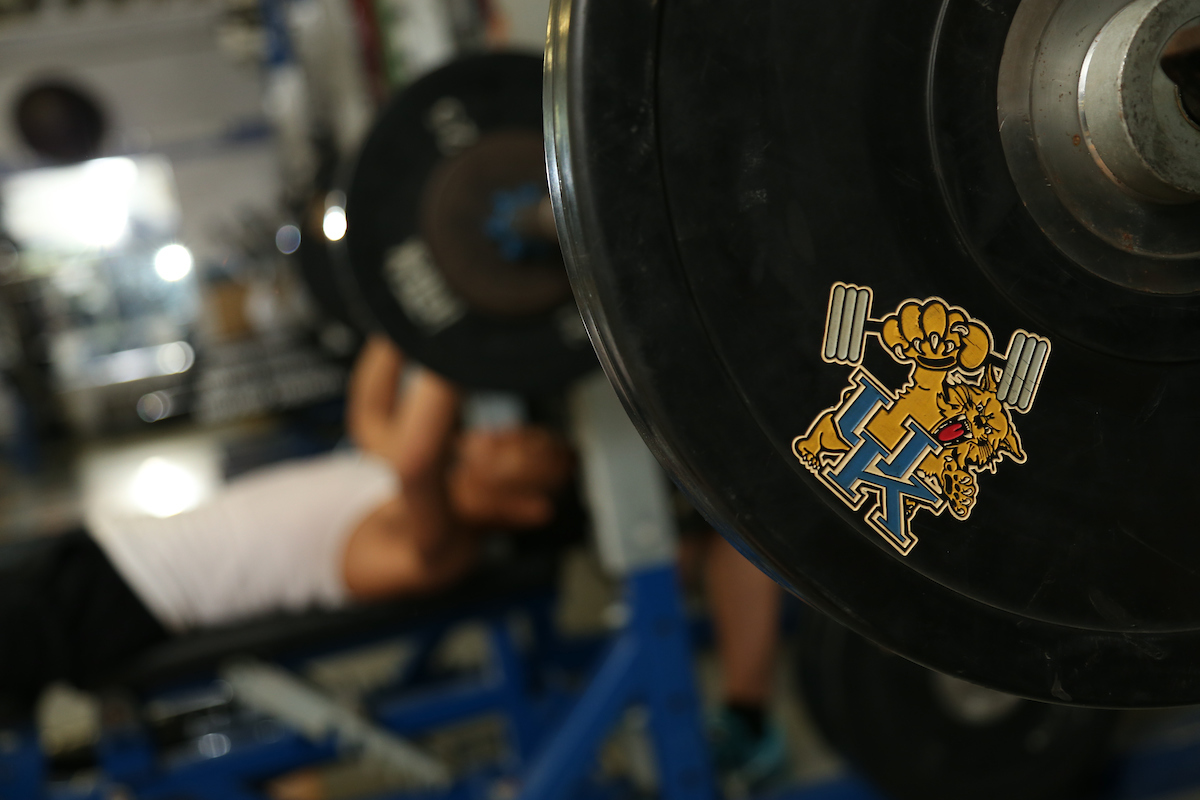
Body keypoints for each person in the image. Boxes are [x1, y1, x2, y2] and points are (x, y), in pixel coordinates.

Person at [0, 335, 574, 725]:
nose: (512, 433)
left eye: (535, 447)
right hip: (99, 559)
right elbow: (369, 409)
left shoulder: (438, 547)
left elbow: (418, 461)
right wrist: (407, 310)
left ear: (528, 510)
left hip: (121, 602)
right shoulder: (399, 469)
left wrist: (449, 318)